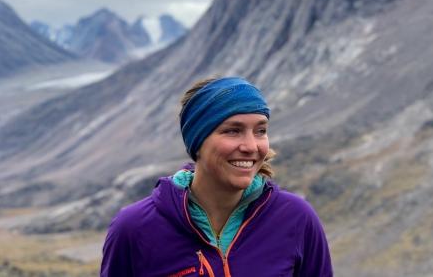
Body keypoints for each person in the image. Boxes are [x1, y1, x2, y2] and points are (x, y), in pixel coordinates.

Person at [101, 77, 333, 276]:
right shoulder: (133, 229)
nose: (251, 146)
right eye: (232, 130)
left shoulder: (296, 218)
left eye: (260, 131)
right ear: (197, 142)